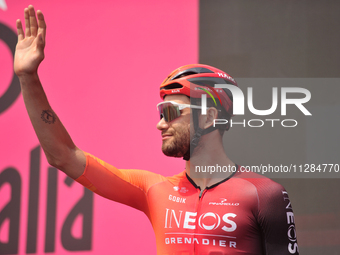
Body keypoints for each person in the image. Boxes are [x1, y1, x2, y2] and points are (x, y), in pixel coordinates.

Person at [14, 5, 299, 255]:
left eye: (171, 113)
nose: (160, 123)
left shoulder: (265, 194)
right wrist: (28, 78)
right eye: (160, 113)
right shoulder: (154, 190)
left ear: (210, 117)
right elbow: (63, 155)